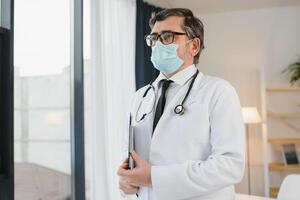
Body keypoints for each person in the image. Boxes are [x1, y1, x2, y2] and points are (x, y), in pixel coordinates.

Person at [117, 8, 245, 200]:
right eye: (154, 38)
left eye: (167, 36)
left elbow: (230, 166)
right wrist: (127, 182)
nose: (158, 44)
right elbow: (134, 158)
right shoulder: (140, 97)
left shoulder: (218, 92)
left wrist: (154, 178)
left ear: (193, 46)